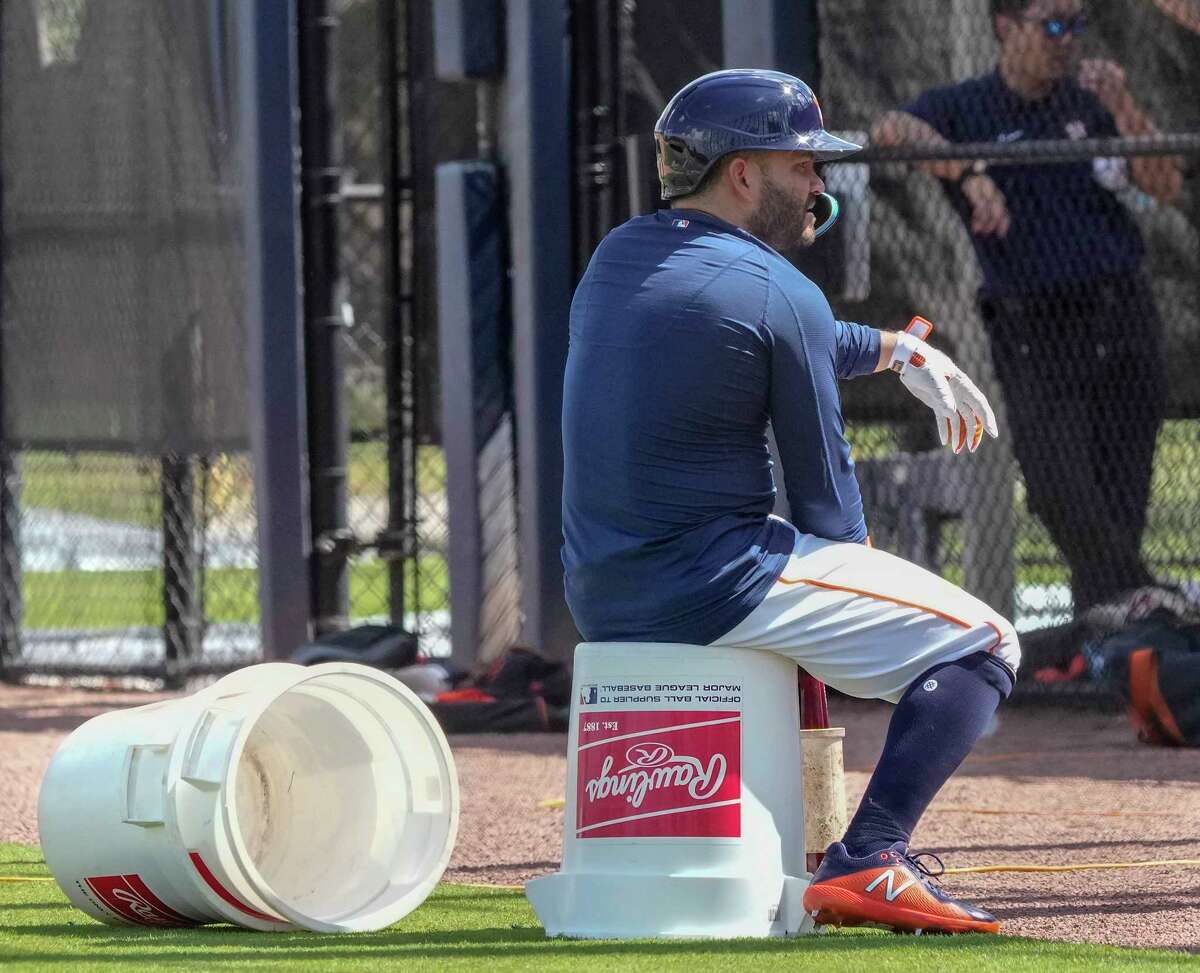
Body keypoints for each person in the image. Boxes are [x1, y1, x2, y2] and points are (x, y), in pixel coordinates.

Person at [561, 68, 1021, 935]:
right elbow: (826, 503)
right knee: (990, 642)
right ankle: (870, 855)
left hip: (602, 589)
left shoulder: (618, 256)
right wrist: (861, 568)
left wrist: (891, 349)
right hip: (716, 582)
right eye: (801, 163)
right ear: (742, 173)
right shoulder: (782, 292)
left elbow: (758, 328)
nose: (818, 182)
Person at [871, 0, 1183, 617]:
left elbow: (1165, 183)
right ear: (1006, 28)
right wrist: (971, 174)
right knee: (1054, 487)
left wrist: (1123, 105)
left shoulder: (1089, 101)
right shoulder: (968, 105)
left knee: (1121, 496)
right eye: (1053, 25)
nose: (1067, 41)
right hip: (1034, 326)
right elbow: (890, 129)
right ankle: (1146, 600)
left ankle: (1111, 644)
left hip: (1118, 314)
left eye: (1077, 25)